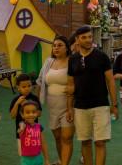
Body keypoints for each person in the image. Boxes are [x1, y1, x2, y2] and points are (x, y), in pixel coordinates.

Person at [68, 26, 116, 165]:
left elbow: (110, 81)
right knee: (85, 142)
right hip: (80, 106)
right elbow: (70, 85)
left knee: (100, 142)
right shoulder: (73, 59)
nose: (88, 40)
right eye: (84, 37)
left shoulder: (102, 57)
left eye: (90, 37)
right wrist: (69, 108)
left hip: (101, 105)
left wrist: (114, 104)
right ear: (77, 40)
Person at [37, 36, 74, 165]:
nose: (56, 48)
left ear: (67, 48)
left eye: (60, 45)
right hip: (52, 107)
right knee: (58, 138)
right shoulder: (48, 62)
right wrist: (37, 104)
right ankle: (61, 160)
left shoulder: (72, 62)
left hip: (68, 105)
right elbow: (40, 81)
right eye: (54, 45)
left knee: (66, 138)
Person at [17, 99, 51, 165]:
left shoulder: (39, 127)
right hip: (26, 160)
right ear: (22, 114)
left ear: (37, 113)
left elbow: (43, 144)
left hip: (38, 158)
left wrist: (46, 159)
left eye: (33, 112)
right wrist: (21, 128)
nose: (31, 114)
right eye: (27, 112)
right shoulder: (23, 126)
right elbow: (21, 125)